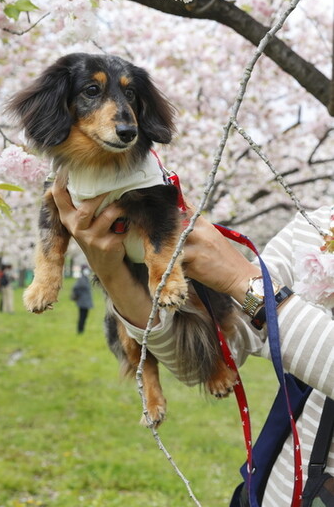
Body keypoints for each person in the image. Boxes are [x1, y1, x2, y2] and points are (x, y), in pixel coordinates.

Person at [51, 175, 334, 507]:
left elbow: (249, 292)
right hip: (274, 488)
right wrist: (115, 276)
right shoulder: (315, 227)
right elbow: (216, 352)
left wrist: (240, 280)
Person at [71, 265, 94, 334]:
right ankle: (80, 330)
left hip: (85, 302)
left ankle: (81, 330)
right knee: (82, 317)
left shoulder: (85, 278)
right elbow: (75, 288)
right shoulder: (82, 279)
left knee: (84, 317)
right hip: (83, 303)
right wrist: (77, 295)